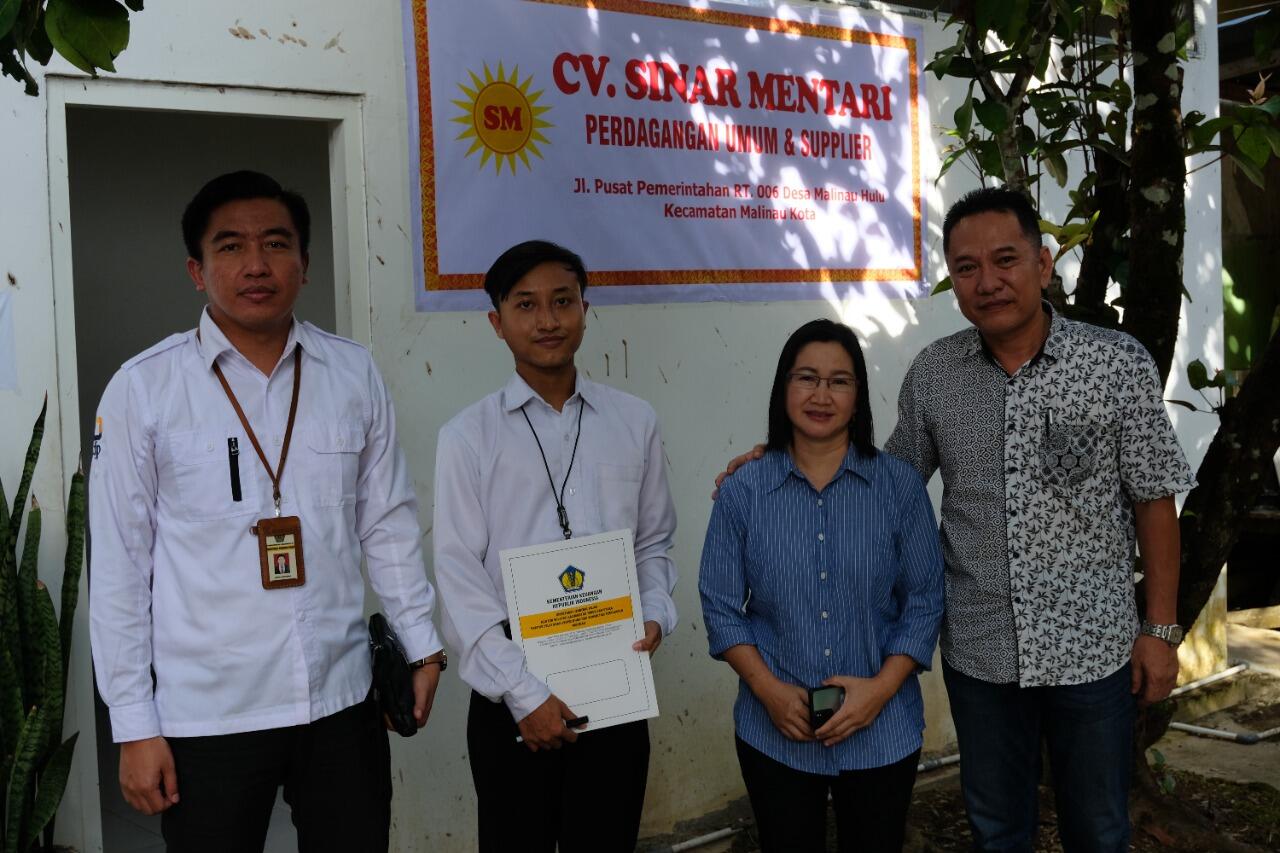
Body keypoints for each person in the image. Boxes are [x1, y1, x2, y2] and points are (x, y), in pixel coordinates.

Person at [717, 186, 1196, 851]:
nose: (987, 281)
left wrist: (1160, 630)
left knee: (1099, 829)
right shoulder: (937, 373)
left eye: (1005, 260)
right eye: (967, 267)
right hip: (980, 654)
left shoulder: (1115, 364)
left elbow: (1154, 501)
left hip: (1093, 650)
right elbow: (882, 481)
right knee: (997, 831)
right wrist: (780, 458)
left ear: (1042, 263)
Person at [89, 170, 446, 853]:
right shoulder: (144, 389)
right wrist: (134, 725)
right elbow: (120, 568)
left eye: (276, 244)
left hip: (342, 698)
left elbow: (387, 522)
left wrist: (421, 643)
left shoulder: (352, 373)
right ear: (196, 270)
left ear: (305, 264)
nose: (256, 264)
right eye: (230, 247)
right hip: (209, 713)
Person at [432, 240, 678, 853]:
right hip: (511, 698)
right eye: (526, 305)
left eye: (562, 301)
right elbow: (459, 576)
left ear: (585, 311)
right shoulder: (467, 437)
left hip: (614, 688)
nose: (547, 320)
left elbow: (653, 540)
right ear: (497, 323)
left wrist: (655, 612)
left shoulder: (634, 421)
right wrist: (525, 694)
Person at [699, 319, 943, 853]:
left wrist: (879, 691)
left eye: (839, 381)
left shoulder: (898, 486)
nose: (821, 395)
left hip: (882, 726)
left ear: (858, 396)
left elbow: (925, 601)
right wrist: (767, 690)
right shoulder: (744, 490)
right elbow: (720, 605)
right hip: (775, 729)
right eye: (806, 377)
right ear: (783, 386)